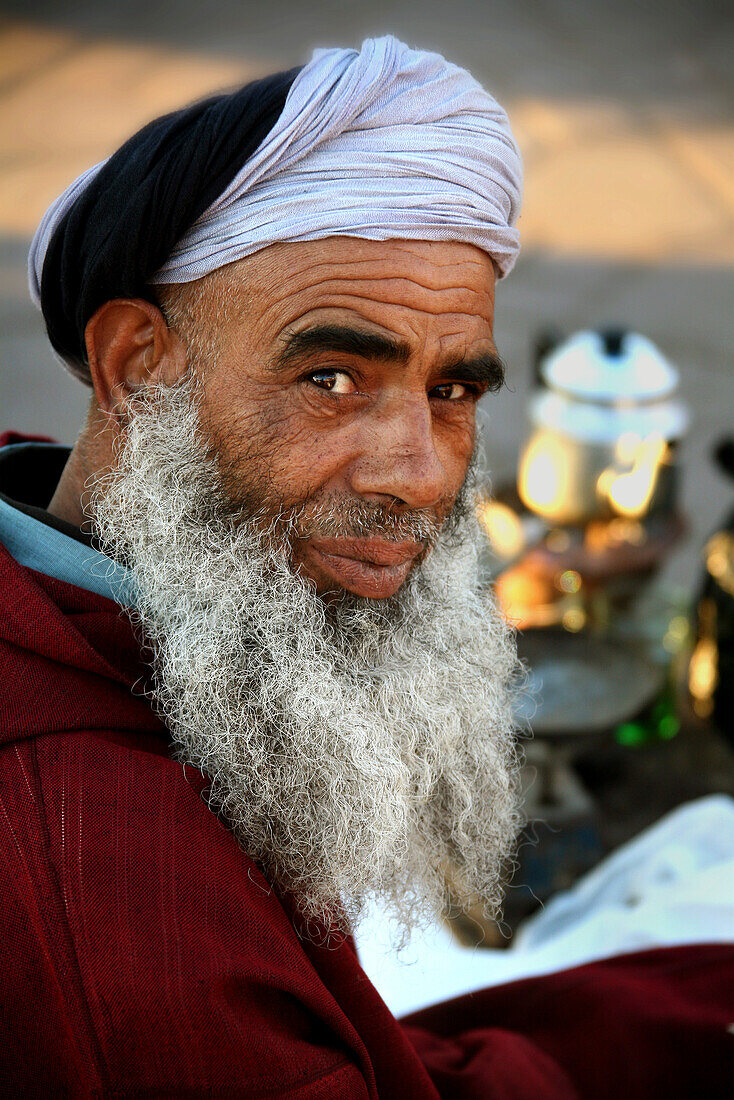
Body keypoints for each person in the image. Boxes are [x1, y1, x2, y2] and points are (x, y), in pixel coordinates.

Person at [0, 36, 731, 1098]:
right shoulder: (120, 922)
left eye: (452, 390)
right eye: (332, 376)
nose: (420, 475)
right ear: (134, 365)